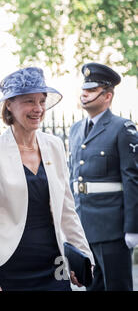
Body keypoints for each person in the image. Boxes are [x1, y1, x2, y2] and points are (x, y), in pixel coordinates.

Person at [0, 67, 94, 291]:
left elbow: (67, 208)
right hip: (9, 266)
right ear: (9, 104)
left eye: (42, 101)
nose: (38, 109)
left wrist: (85, 255)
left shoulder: (55, 145)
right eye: (29, 101)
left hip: (54, 264)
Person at [68, 62, 138, 291]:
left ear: (107, 96)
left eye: (91, 90)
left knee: (118, 286)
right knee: (92, 287)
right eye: (83, 89)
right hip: (85, 225)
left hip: (113, 229)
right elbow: (73, 177)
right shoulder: (76, 129)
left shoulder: (122, 128)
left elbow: (132, 179)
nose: (84, 94)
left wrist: (132, 228)